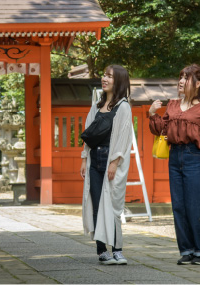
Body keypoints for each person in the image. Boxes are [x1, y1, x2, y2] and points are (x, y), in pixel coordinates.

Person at [148, 64, 200, 265]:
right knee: (179, 206)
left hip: (195, 158)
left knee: (196, 206)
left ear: (197, 84)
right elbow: (161, 130)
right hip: (175, 157)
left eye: (185, 78)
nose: (180, 81)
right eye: (180, 77)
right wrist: (152, 113)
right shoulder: (172, 105)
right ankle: (186, 249)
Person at [80, 65, 133, 266]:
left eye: (109, 76)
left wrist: (115, 162)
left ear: (118, 81)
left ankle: (117, 249)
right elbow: (88, 133)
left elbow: (123, 138)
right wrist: (84, 159)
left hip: (111, 160)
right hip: (95, 160)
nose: (104, 78)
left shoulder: (123, 106)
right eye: (104, 75)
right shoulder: (96, 105)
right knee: (96, 204)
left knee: (112, 205)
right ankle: (102, 250)